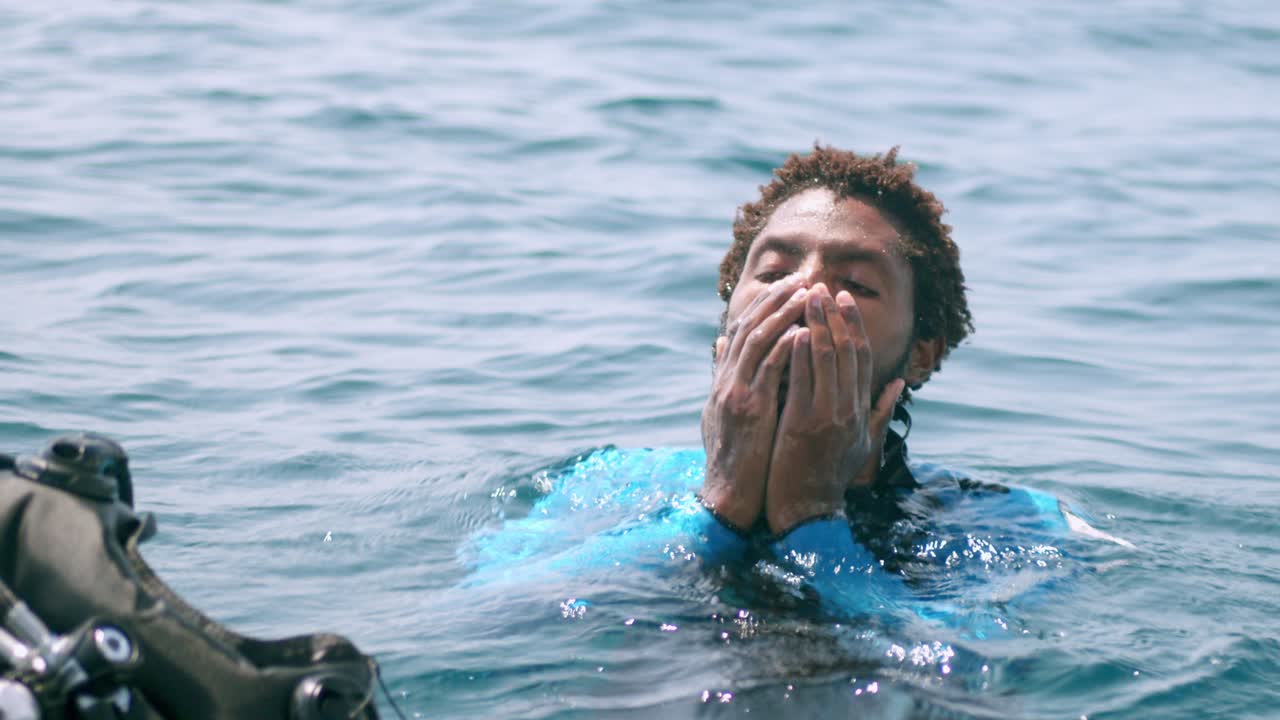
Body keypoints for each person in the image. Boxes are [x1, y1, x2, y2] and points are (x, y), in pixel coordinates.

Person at [464, 146, 1123, 624]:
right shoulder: (614, 480)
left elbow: (978, 663)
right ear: (728, 321)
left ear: (920, 355)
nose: (807, 290)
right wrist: (717, 507)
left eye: (858, 285)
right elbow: (490, 612)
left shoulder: (1018, 525)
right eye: (774, 271)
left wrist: (811, 520)